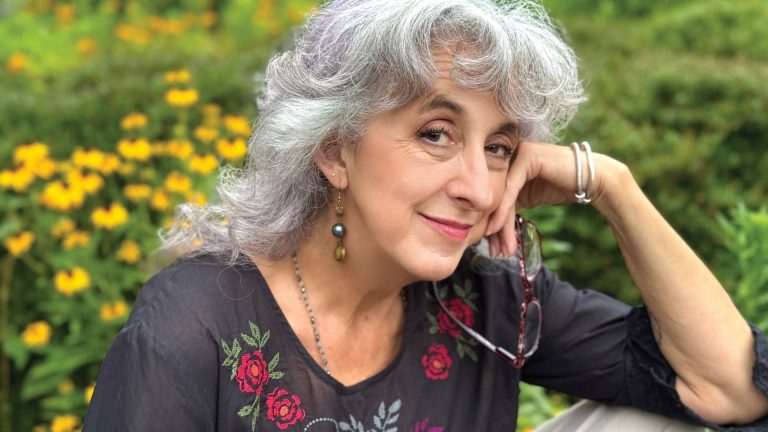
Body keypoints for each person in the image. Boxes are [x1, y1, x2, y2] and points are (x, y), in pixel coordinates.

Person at [83, 0, 768, 430]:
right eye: (435, 133)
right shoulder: (192, 326)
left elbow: (727, 390)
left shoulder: (483, 298)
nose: (476, 185)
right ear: (334, 151)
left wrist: (611, 184)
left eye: (499, 147)